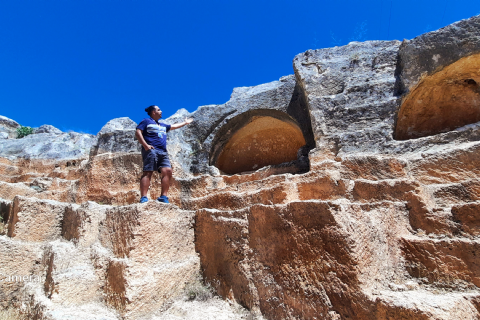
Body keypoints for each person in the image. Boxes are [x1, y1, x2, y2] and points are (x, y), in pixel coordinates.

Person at [135, 105, 193, 203]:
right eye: (159, 110)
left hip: (163, 152)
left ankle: (163, 196)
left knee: (168, 171)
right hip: (151, 150)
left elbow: (173, 126)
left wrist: (185, 123)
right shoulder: (146, 121)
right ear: (153, 112)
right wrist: (145, 145)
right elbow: (138, 132)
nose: (161, 111)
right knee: (148, 172)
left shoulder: (162, 125)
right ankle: (144, 197)